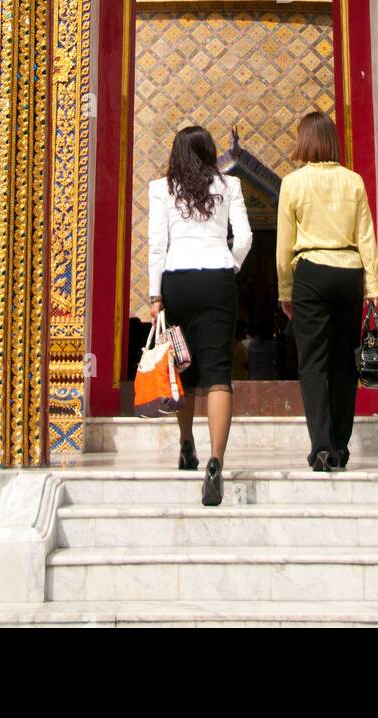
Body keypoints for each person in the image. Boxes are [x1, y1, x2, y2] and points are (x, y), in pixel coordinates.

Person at [148, 125, 252, 505]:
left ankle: (187, 442)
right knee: (218, 373)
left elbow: (157, 245)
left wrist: (155, 295)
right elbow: (244, 239)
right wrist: (231, 265)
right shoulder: (229, 186)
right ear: (210, 152)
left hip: (178, 280)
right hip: (218, 279)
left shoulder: (162, 189)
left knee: (184, 367)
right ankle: (215, 461)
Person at [276, 109, 378, 472]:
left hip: (311, 273)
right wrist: (373, 288)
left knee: (313, 363)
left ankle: (320, 446)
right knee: (343, 363)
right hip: (349, 272)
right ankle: (339, 444)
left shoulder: (293, 183)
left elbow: (283, 246)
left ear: (304, 141)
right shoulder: (353, 181)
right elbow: (366, 237)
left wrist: (285, 291)